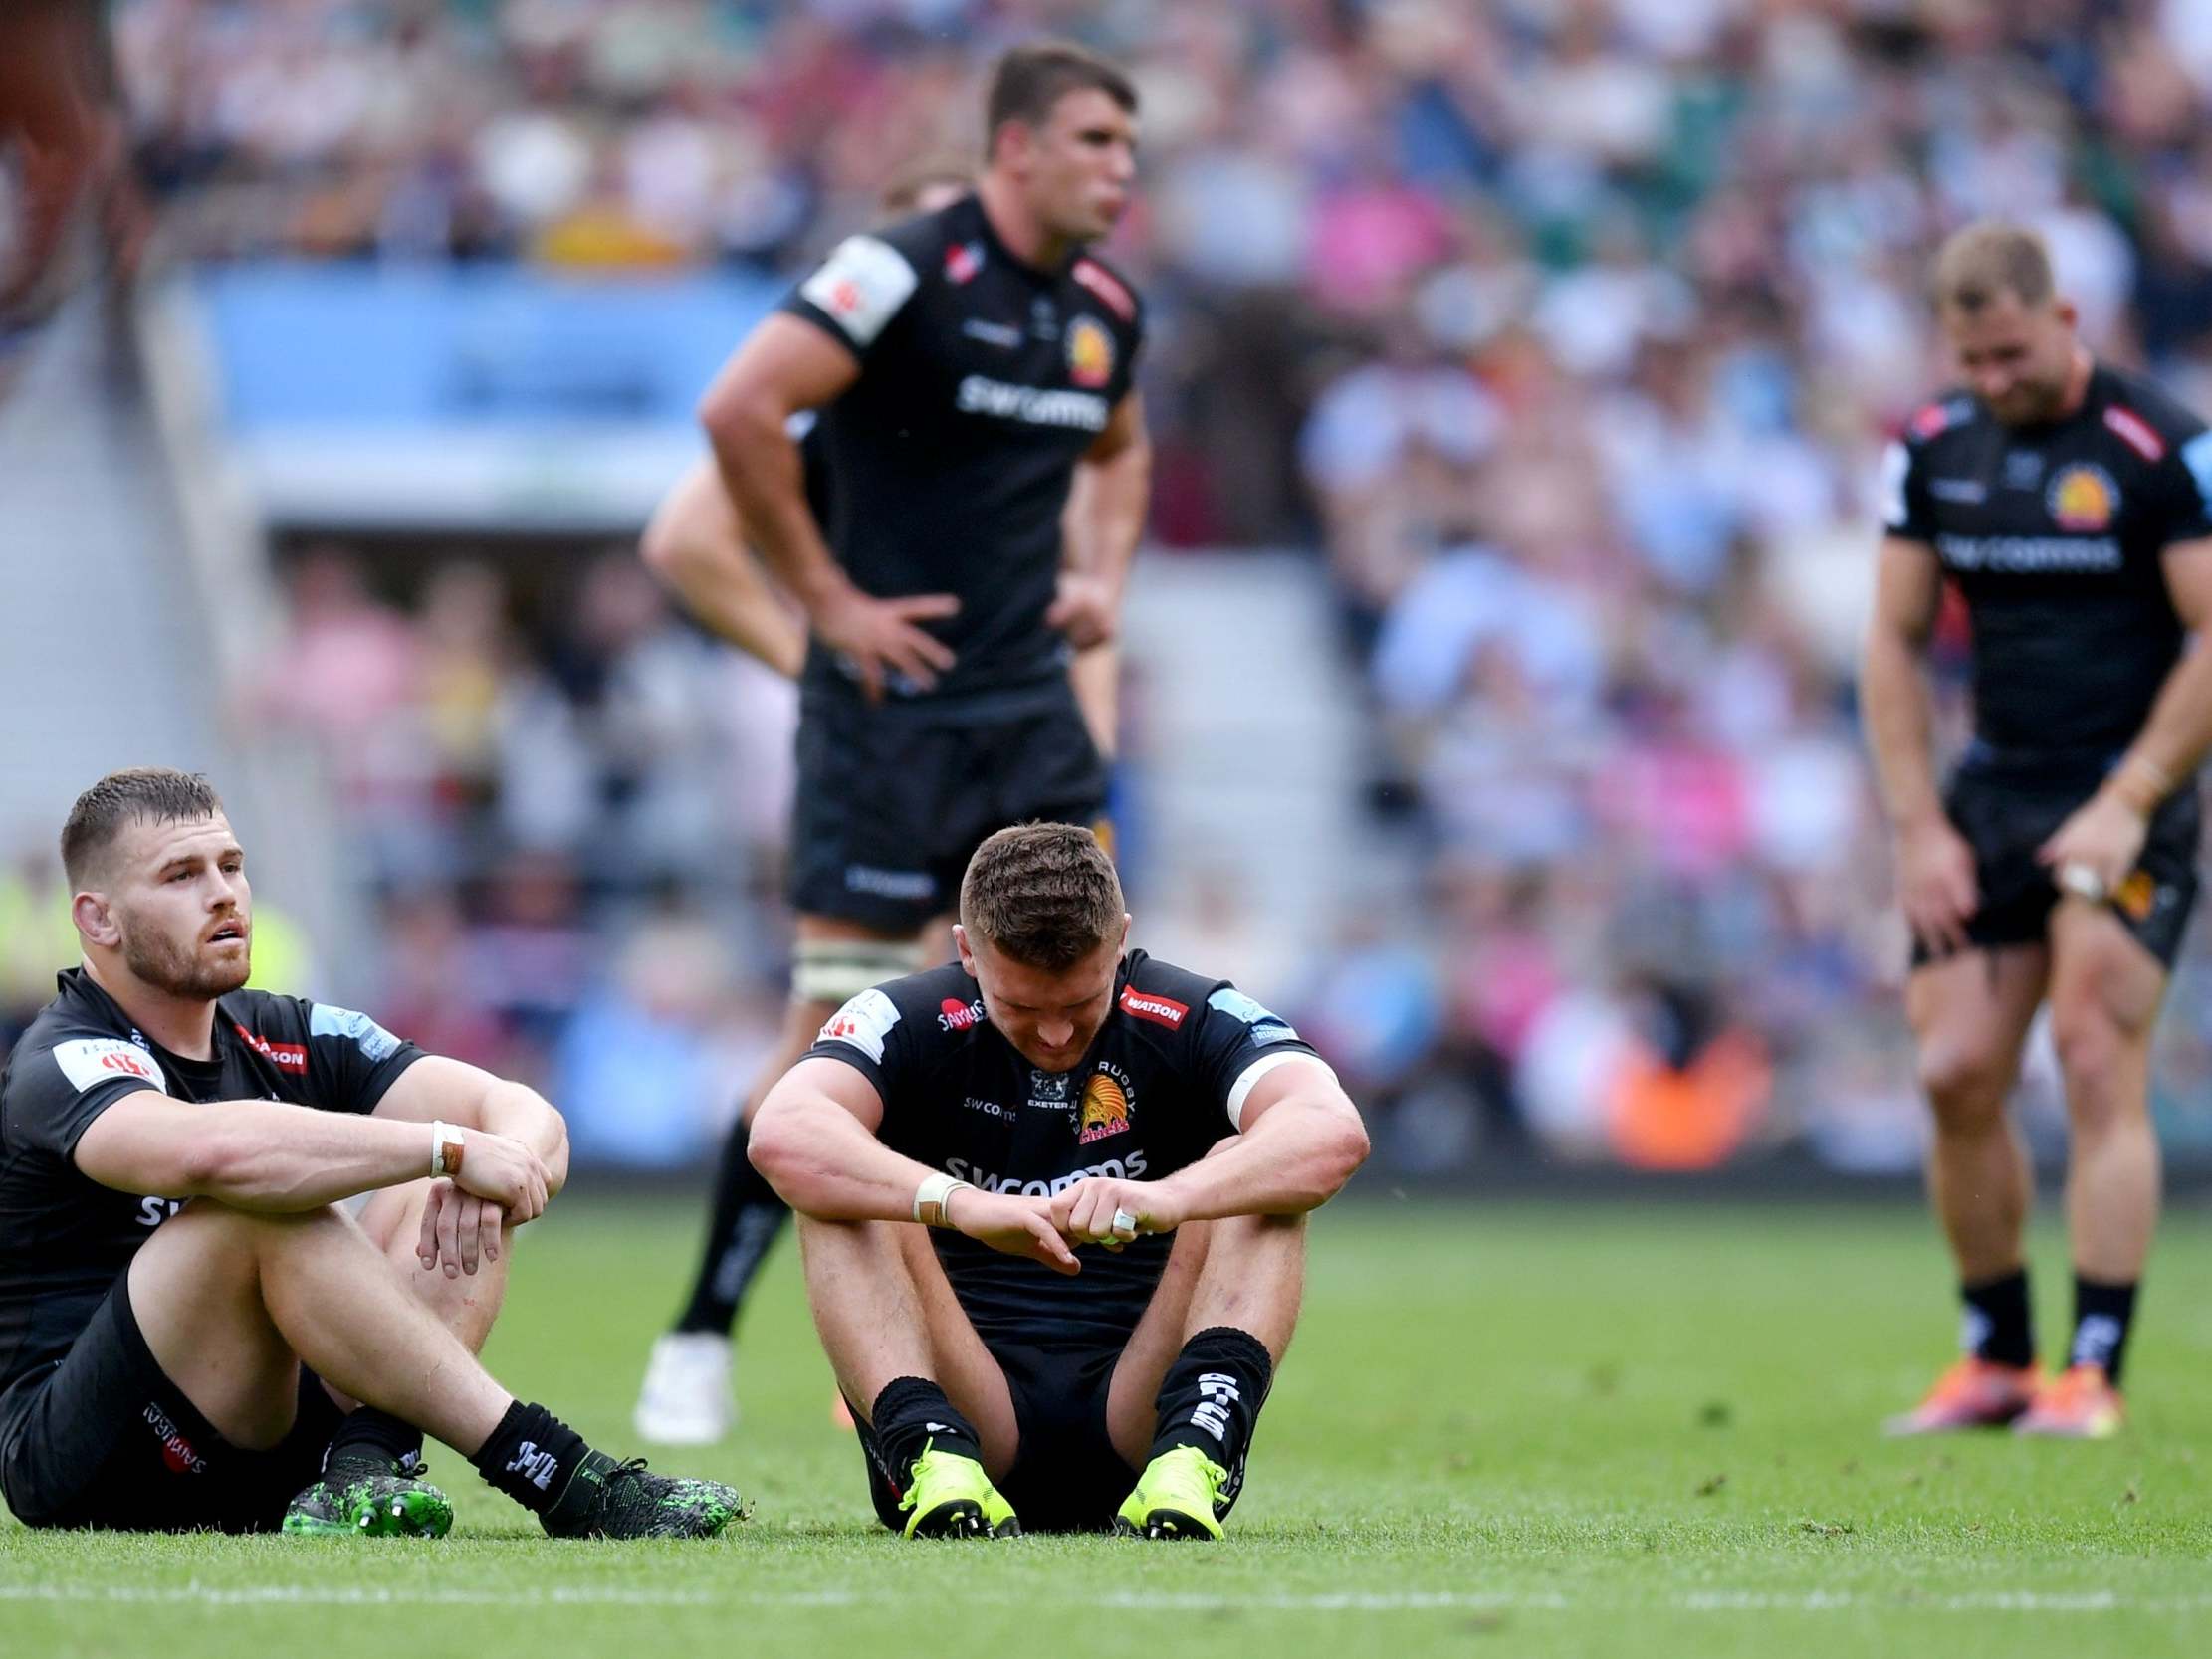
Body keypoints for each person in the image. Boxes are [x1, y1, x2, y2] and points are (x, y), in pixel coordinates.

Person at [634, 39, 1151, 1444]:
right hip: (886, 734)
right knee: (835, 1041)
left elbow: (1118, 450)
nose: (1119, 172)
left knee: (1069, 1018)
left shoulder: (1090, 315)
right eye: (1095, 143)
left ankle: (1047, 1330)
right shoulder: (877, 330)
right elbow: (687, 526)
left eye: (1128, 150)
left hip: (1025, 716)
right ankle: (701, 1326)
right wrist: (826, 625)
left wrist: (1100, 582)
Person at [0, 768, 744, 1537]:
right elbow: (215, 1154)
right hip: (95, 1462)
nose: (224, 894)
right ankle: (560, 1472)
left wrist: (481, 1157)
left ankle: (361, 1466)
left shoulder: (281, 1028)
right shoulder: (64, 1056)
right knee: (262, 1202)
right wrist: (447, 1147)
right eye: (182, 875)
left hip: (269, 1443)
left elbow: (526, 1115)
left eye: (231, 865)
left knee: (455, 1179)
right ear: (99, 919)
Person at [749, 823, 1369, 1538]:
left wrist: (1170, 1198)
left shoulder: (1192, 1013)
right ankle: (929, 1454)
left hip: (1143, 1412)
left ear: (1121, 939)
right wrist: (965, 1206)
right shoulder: (907, 1015)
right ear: (965, 952)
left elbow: (1332, 1133)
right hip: (973, 1410)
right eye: (1021, 1008)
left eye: (1080, 1004)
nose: (1054, 1037)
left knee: (1258, 1163)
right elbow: (782, 1132)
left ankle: (1196, 1454)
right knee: (836, 1173)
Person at [1864, 223, 2212, 1439]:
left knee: (2092, 1052)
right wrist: (1916, 826)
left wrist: (2130, 798)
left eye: (2010, 353)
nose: (1992, 381)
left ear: (2062, 319)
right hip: (1992, 792)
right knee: (1954, 1069)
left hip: (2128, 788)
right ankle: (1995, 1357)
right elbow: (1894, 643)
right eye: (1972, 361)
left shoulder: (2160, 445)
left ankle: (2092, 1368)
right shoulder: (1932, 445)